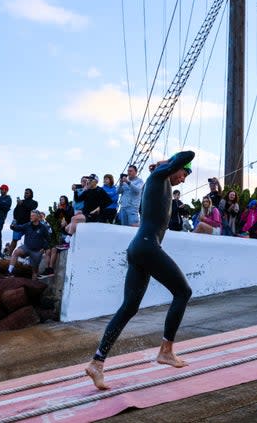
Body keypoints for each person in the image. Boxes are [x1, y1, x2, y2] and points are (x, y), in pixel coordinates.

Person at [85, 150, 195, 391]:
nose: (184, 179)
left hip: (139, 249)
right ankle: (166, 350)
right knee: (183, 292)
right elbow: (189, 153)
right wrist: (168, 163)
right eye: (184, 173)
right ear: (174, 167)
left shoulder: (162, 182)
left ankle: (97, 362)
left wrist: (170, 166)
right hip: (146, 246)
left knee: (129, 307)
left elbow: (181, 162)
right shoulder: (158, 178)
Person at [7, 210, 51, 279]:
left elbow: (48, 239)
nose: (31, 217)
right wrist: (13, 226)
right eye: (30, 215)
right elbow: (19, 228)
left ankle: (34, 286)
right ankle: (9, 272)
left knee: (35, 272)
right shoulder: (27, 225)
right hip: (26, 248)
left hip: (36, 252)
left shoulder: (43, 228)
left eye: (33, 216)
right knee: (16, 252)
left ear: (38, 216)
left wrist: (43, 249)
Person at [9, 188, 38, 253]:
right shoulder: (20, 202)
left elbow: (32, 207)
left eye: (27, 193)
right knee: (14, 239)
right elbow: (15, 212)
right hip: (18, 224)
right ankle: (9, 254)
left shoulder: (34, 202)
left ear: (31, 194)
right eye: (25, 193)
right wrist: (14, 222)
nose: (25, 194)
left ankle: (25, 257)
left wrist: (22, 204)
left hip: (28, 225)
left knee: (28, 241)